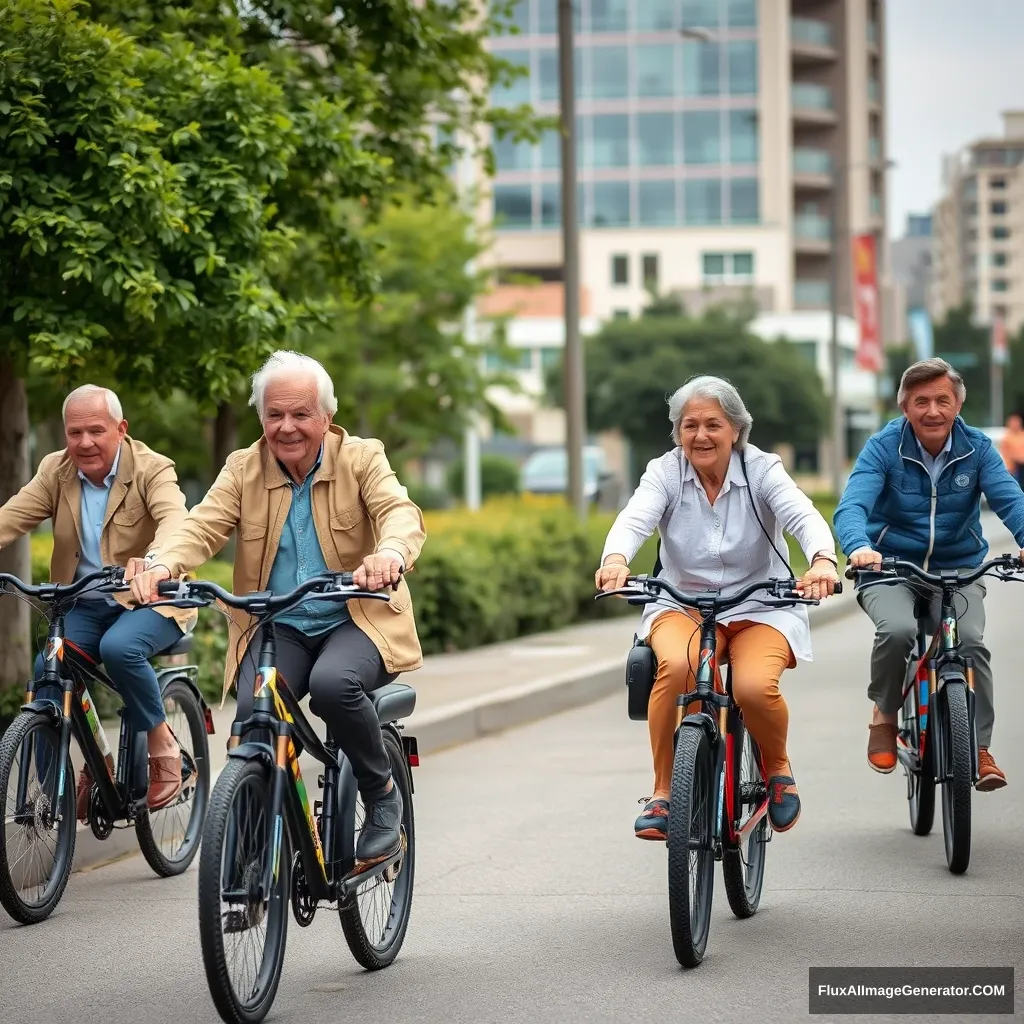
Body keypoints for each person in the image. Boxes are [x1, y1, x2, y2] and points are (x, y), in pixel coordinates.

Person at [129, 350, 426, 865]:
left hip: (356, 618)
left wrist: (390, 554)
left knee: (335, 686)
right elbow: (200, 526)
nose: (285, 427)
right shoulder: (243, 468)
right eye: (274, 414)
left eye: (300, 414)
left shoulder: (361, 458)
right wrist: (161, 563)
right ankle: (247, 860)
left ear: (326, 418)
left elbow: (398, 512)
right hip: (278, 626)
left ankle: (381, 796)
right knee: (255, 714)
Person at [595, 376, 840, 839]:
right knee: (678, 667)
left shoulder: (762, 469)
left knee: (751, 687)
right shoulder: (665, 472)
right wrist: (615, 559)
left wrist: (822, 561)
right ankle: (664, 796)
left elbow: (802, 516)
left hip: (761, 605)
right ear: (678, 433)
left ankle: (778, 771)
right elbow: (635, 517)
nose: (701, 435)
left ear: (735, 429)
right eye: (690, 425)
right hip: (682, 603)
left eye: (713, 424)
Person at [0, 385, 195, 816]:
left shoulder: (152, 468)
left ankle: (163, 744)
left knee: (120, 648)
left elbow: (176, 521)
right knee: (48, 670)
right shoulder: (57, 469)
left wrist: (156, 564)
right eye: (74, 432)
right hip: (84, 603)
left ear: (121, 430)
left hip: (152, 600)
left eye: (95, 431)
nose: (84, 442)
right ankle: (57, 794)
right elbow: (11, 516)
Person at [833, 358, 1024, 790]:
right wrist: (860, 547)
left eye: (942, 400)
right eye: (921, 401)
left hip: (959, 566)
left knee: (971, 643)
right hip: (890, 565)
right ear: (905, 407)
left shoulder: (978, 448)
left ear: (958, 404)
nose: (932, 411)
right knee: (898, 630)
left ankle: (978, 748)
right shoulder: (883, 447)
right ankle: (884, 714)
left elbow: (1012, 501)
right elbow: (853, 505)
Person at [999, 413, 1024, 487]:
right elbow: (1006, 453)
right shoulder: (1007, 437)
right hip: (1014, 469)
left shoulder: (1022, 435)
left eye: (1016, 422)